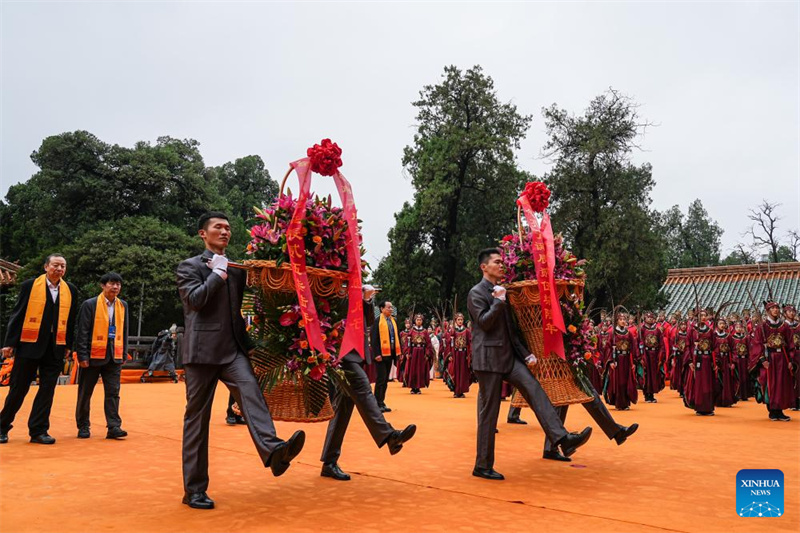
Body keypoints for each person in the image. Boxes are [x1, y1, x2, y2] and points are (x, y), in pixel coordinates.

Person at [177, 212, 305, 509]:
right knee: (197, 420)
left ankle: (274, 451)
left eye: (228, 228)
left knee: (252, 394)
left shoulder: (236, 269)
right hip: (201, 353)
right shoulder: (190, 266)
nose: (225, 231)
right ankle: (194, 490)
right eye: (218, 227)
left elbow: (248, 304)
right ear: (203, 234)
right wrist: (216, 274)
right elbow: (194, 301)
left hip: (233, 350)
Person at [467, 248, 591, 480]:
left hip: (509, 357)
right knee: (489, 414)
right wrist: (498, 302)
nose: (501, 265)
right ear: (484, 267)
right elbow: (484, 323)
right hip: (488, 360)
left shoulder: (503, 291)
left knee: (535, 389)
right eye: (497, 262)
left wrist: (525, 354)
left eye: (502, 262)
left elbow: (511, 331)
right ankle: (482, 465)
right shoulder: (477, 292)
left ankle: (562, 438)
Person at [319, 286, 417, 481]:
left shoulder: (356, 286)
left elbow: (369, 321)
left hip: (354, 352)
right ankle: (389, 436)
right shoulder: (335, 284)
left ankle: (329, 462)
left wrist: (366, 300)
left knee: (343, 409)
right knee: (363, 389)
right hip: (341, 352)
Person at [0, 254, 79, 445]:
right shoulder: (30, 286)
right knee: (18, 388)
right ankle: (2, 426)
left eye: (63, 266)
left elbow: (70, 321)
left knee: (47, 390)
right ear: (46, 267)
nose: (59, 269)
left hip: (55, 347)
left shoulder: (70, 290)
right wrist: (9, 343)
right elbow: (18, 314)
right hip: (29, 345)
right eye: (55, 265)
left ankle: (38, 430)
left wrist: (69, 345)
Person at [74, 272, 129, 439]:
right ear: (103, 285)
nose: (115, 287)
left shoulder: (123, 305)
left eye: (118, 284)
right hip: (92, 356)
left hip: (113, 356)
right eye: (112, 283)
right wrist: (82, 356)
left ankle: (114, 426)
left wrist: (123, 353)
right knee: (85, 392)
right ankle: (83, 425)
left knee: (113, 392)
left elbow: (124, 331)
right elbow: (82, 331)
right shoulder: (90, 304)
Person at [750, 300, 796, 421]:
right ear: (768, 311)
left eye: (777, 308)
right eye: (773, 308)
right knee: (771, 383)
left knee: (782, 384)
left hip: (783, 358)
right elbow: (757, 344)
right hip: (770, 358)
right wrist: (762, 360)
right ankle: (772, 410)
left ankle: (779, 410)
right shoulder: (762, 327)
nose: (775, 310)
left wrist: (790, 360)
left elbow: (790, 343)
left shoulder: (784, 326)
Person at [602, 312, 639, 411]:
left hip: (626, 360)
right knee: (618, 382)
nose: (623, 321)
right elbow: (608, 348)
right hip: (617, 360)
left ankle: (626, 403)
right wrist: (611, 361)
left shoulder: (629, 333)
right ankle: (618, 403)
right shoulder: (612, 333)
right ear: (617, 321)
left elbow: (633, 347)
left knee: (626, 381)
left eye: (624, 320)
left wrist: (634, 362)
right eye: (621, 320)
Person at [370, 299, 401, 413]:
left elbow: (396, 337)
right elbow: (374, 339)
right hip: (381, 355)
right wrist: (377, 354)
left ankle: (381, 402)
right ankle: (376, 403)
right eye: (388, 307)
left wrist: (398, 353)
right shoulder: (377, 321)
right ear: (382, 309)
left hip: (390, 354)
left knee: (386, 379)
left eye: (391, 307)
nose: (391, 309)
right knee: (381, 379)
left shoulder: (393, 321)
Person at [684, 309, 716, 416]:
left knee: (708, 384)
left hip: (707, 360)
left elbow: (714, 346)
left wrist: (715, 362)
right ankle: (699, 406)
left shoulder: (710, 331)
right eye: (701, 315)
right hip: (697, 359)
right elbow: (687, 345)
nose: (703, 317)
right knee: (698, 384)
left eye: (705, 315)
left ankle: (708, 407)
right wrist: (689, 360)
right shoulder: (692, 330)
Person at [638, 311, 665, 403]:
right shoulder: (641, 330)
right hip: (646, 354)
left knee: (654, 375)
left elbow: (661, 344)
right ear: (645, 319)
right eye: (648, 317)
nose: (650, 319)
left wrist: (661, 356)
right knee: (646, 374)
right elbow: (638, 343)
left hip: (655, 355)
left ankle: (652, 394)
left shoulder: (657, 330)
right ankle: (647, 394)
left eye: (651, 318)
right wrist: (640, 356)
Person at [713, 318, 738, 408]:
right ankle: (718, 401)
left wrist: (733, 362)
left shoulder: (728, 336)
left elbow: (734, 349)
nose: (722, 325)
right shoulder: (714, 336)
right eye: (720, 323)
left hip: (727, 360)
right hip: (717, 361)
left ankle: (727, 400)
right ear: (717, 325)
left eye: (723, 324)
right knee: (718, 381)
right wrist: (714, 362)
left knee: (727, 381)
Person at [406, 314, 433, 394]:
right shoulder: (411, 331)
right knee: (412, 370)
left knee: (420, 370)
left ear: (422, 321)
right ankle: (412, 387)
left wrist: (427, 354)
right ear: (415, 321)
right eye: (417, 320)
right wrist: (407, 352)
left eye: (420, 320)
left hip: (422, 353)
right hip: (413, 352)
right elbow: (408, 343)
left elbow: (428, 344)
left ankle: (418, 387)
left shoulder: (425, 332)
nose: (419, 321)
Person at [449, 313, 472, 398]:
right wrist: (450, 354)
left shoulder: (467, 331)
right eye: (458, 320)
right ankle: (456, 391)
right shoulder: (453, 331)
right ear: (456, 321)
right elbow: (451, 344)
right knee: (456, 372)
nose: (460, 321)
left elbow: (470, 343)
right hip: (456, 354)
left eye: (461, 320)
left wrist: (469, 354)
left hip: (464, 355)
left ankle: (461, 391)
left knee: (463, 373)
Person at [731, 320, 752, 401]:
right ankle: (738, 394)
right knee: (738, 377)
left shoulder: (745, 338)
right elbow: (732, 350)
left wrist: (749, 360)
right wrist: (733, 360)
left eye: (740, 327)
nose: (739, 329)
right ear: (734, 328)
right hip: (737, 360)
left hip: (744, 359)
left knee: (745, 377)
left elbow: (749, 349)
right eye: (737, 327)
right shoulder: (732, 338)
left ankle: (745, 394)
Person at [784, 305, 800, 411]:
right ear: (785, 313)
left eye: (793, 311)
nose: (792, 313)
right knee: (790, 378)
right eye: (789, 311)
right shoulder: (783, 326)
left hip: (799, 353)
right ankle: (791, 401)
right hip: (788, 354)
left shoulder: (798, 325)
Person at [668, 318, 690, 397]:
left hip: (686, 356)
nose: (683, 326)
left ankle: (685, 389)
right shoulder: (676, 336)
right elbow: (672, 346)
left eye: (685, 325)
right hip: (679, 357)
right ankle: (681, 390)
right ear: (679, 326)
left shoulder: (688, 335)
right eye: (682, 325)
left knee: (686, 373)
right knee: (679, 373)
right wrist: (674, 352)